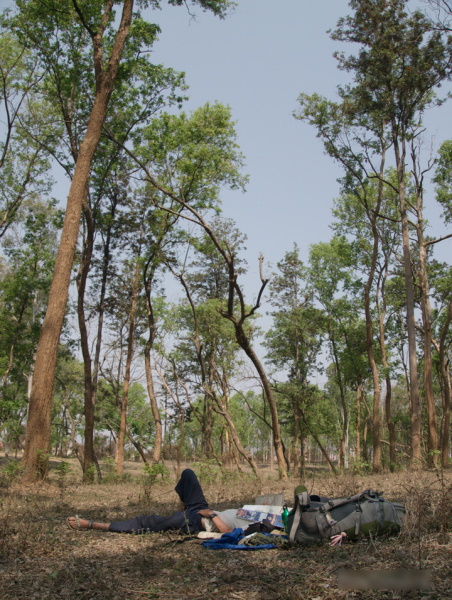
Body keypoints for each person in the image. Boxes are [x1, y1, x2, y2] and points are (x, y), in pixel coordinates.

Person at [67, 468, 252, 535]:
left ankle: (94, 525)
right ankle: (182, 508)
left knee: (149, 522)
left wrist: (211, 515)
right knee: (188, 474)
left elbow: (228, 532)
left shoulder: (261, 529)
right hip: (201, 509)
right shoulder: (265, 516)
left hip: (197, 521)